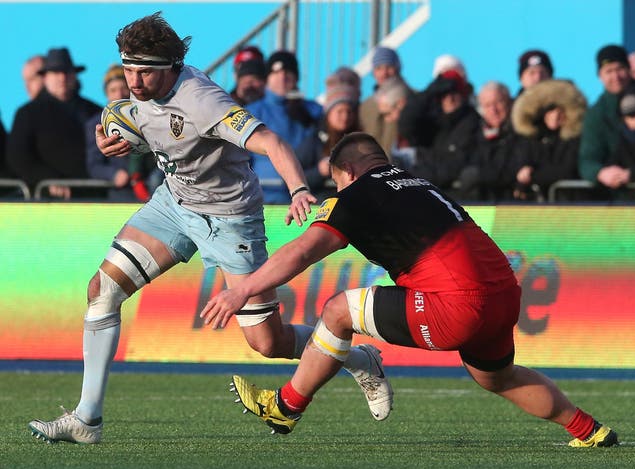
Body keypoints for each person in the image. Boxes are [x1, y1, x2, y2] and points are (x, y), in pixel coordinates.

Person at [28, 13, 390, 445]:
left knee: (267, 342)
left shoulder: (203, 102)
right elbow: (127, 119)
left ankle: (358, 358)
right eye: (128, 70)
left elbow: (272, 142)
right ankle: (87, 419)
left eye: (144, 72)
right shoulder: (137, 91)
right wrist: (111, 138)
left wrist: (297, 189)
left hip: (229, 218)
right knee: (101, 290)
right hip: (173, 204)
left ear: (170, 68)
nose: (135, 82)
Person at [201, 132, 619, 449]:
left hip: (456, 305)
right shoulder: (421, 184)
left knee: (337, 312)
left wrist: (244, 291)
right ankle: (589, 429)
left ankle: (286, 407)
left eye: (338, 181)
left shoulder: (355, 195)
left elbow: (304, 251)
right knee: (497, 377)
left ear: (346, 172)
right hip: (504, 295)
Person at [7, 47, 101, 199]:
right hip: (44, 200)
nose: (62, 78)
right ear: (45, 77)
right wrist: (48, 180)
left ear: (74, 76)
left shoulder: (94, 112)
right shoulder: (28, 113)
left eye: (67, 72)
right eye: (56, 72)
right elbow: (17, 157)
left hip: (98, 198)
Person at [246, 50, 323, 203]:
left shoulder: (314, 111)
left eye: (288, 72)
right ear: (267, 77)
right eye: (276, 72)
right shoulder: (252, 111)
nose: (282, 77)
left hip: (306, 194)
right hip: (262, 196)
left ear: (296, 77)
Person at [85, 64, 160, 202]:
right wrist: (114, 174)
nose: (119, 94)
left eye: (123, 88)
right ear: (106, 93)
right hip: (121, 194)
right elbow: (94, 165)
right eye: (113, 90)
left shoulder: (148, 114)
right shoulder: (96, 123)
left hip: (153, 186)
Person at [399, 69, 480, 197]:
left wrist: (421, 175)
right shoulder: (434, 122)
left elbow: (456, 165)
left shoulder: (473, 122)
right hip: (430, 193)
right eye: (444, 94)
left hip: (456, 197)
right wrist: (428, 93)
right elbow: (406, 125)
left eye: (455, 93)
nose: (450, 99)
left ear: (463, 95)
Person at [511, 79, 587, 201]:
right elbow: (518, 168)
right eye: (551, 110)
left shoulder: (576, 138)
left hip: (571, 205)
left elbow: (568, 170)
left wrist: (532, 175)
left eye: (561, 109)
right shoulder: (530, 139)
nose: (556, 115)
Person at [578, 44, 632, 198]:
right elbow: (587, 159)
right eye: (609, 71)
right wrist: (601, 173)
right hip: (615, 203)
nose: (616, 77)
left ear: (629, 70)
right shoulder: (596, 114)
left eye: (620, 68)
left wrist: (633, 174)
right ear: (600, 76)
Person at [296, 76, 360, 200]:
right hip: (319, 206)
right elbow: (293, 177)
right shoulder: (315, 140)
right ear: (329, 113)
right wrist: (319, 172)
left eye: (349, 111)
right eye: (340, 111)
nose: (345, 116)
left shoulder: (360, 140)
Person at [457, 81, 522, 202]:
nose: (494, 110)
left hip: (514, 207)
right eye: (487, 105)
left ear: (509, 103)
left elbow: (518, 169)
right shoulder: (472, 135)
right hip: (479, 207)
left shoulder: (521, 132)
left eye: (498, 102)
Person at [359, 46, 410, 156]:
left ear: (398, 68)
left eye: (389, 67)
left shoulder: (412, 98)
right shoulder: (366, 106)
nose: (384, 73)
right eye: (379, 68)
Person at [606, 79, 635, 200]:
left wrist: (631, 175)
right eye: (632, 116)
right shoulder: (622, 139)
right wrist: (613, 174)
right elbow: (614, 160)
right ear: (624, 118)